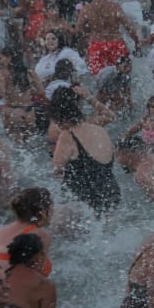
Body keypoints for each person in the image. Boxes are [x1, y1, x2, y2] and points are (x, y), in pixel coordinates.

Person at [46, 87, 120, 215]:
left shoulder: (66, 135)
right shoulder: (98, 128)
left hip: (88, 199)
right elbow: (111, 116)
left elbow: (56, 170)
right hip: (112, 193)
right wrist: (89, 96)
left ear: (59, 117)